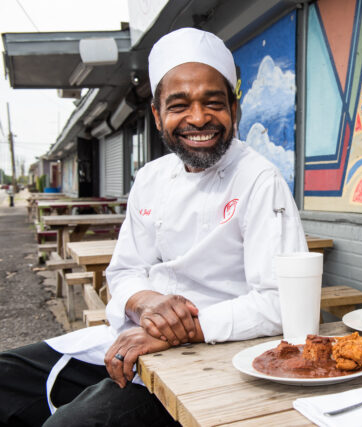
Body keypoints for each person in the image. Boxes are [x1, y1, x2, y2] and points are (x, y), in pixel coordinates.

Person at [0, 27, 307, 427]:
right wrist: (144, 302)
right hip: (136, 336)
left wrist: (181, 330)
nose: (198, 118)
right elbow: (125, 271)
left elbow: (280, 303)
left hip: (215, 352)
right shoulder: (150, 177)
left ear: (236, 110)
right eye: (180, 105)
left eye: (213, 103)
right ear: (159, 115)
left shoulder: (260, 180)